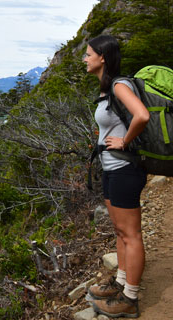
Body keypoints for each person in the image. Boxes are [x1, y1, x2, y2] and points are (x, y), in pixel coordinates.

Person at [83, 35, 149, 318]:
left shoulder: (119, 85)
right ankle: (120, 283)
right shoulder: (106, 88)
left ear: (103, 58)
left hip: (125, 169)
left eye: (88, 54)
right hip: (111, 169)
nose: (84, 59)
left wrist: (124, 142)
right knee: (120, 231)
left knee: (131, 234)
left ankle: (130, 298)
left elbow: (142, 116)